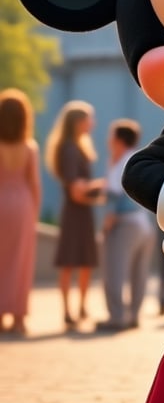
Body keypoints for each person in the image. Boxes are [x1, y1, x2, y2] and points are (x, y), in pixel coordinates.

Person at [44, 100, 104, 328]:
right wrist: (100, 186)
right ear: (79, 122)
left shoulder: (77, 146)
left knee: (82, 261)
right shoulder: (71, 148)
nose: (93, 123)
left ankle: (77, 308)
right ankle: (71, 310)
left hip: (80, 211)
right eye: (89, 118)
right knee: (72, 262)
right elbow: (75, 189)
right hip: (75, 212)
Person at [97, 120, 156, 332]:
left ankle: (117, 317)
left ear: (118, 139)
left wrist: (106, 225)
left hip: (124, 224)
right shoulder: (140, 157)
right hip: (144, 224)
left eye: (111, 136)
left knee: (114, 270)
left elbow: (113, 195)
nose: (108, 140)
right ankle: (133, 315)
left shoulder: (119, 161)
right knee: (139, 273)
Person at [0, 88, 41, 334]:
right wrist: (33, 214)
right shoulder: (29, 148)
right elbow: (34, 184)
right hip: (22, 206)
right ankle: (18, 317)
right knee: (21, 262)